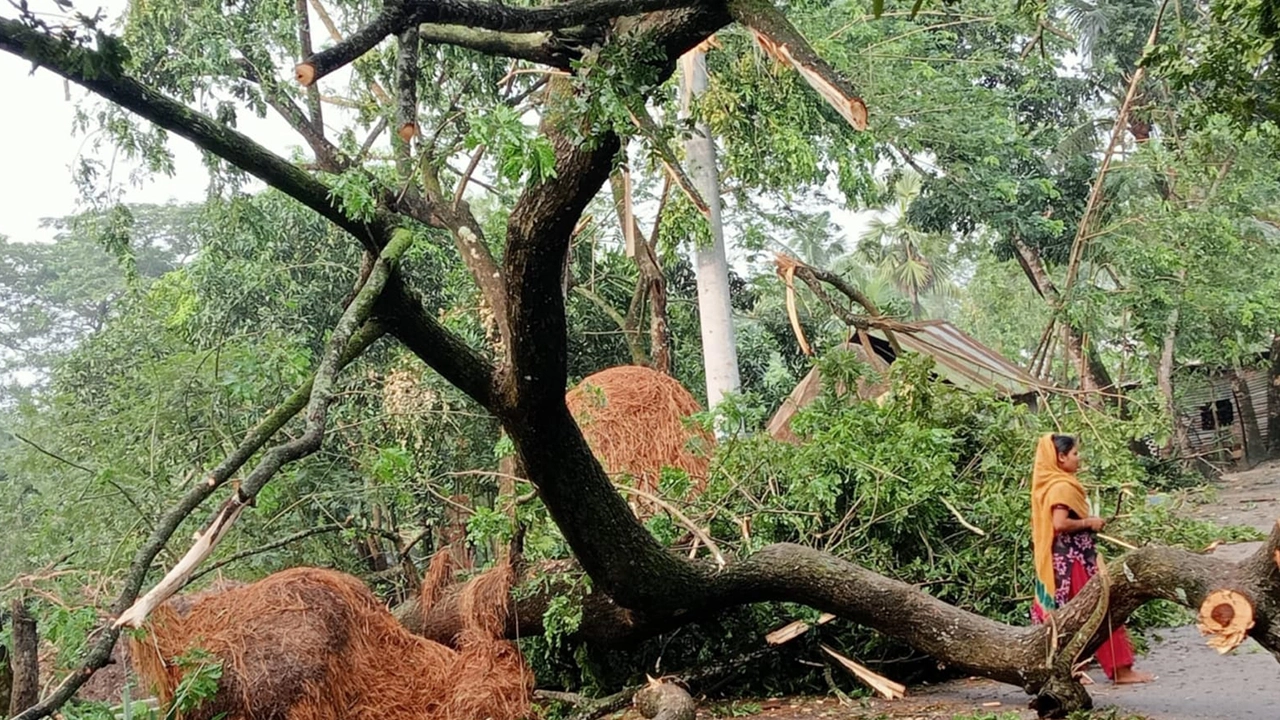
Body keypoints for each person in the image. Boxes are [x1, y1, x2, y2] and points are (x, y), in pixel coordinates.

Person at [1030, 433, 1154, 684]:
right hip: (1073, 561)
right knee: (1101, 608)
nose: (1079, 458)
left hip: (1063, 560)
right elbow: (1060, 523)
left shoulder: (1052, 483)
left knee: (1069, 616)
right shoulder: (1061, 486)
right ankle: (1119, 669)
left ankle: (1067, 669)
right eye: (1075, 453)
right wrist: (1090, 522)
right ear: (1061, 457)